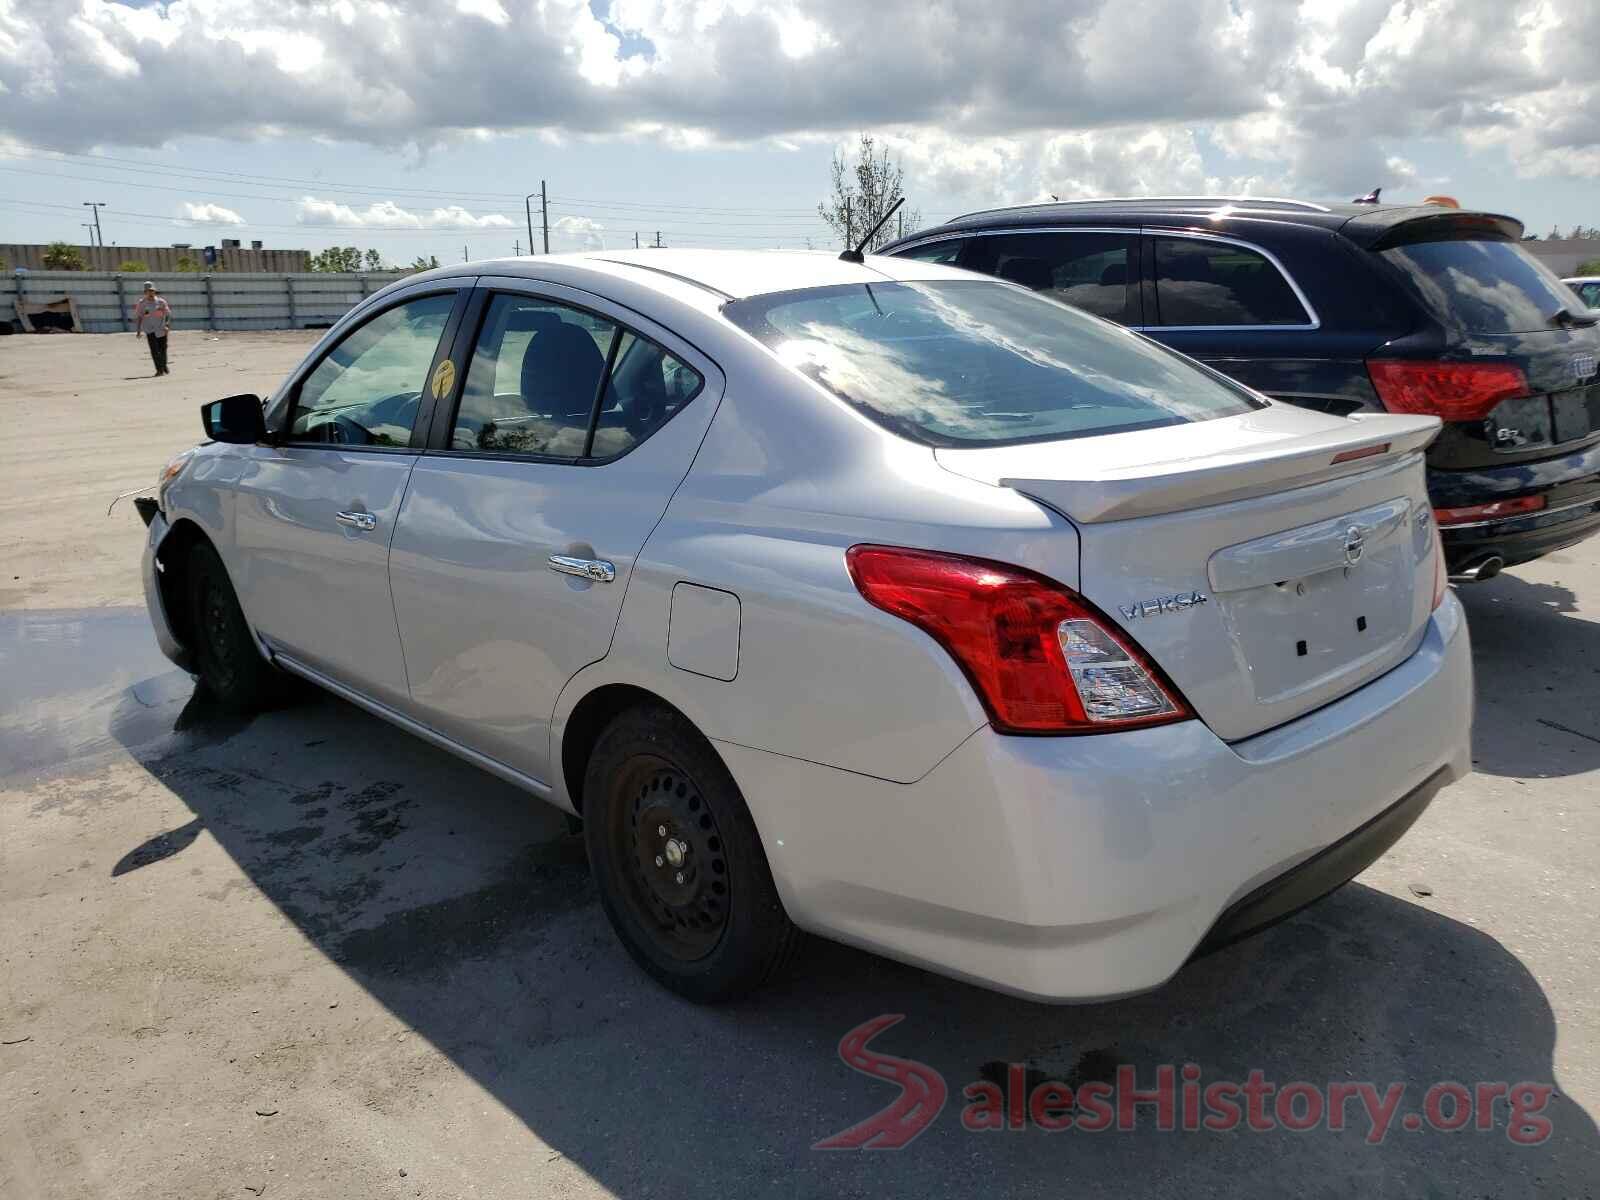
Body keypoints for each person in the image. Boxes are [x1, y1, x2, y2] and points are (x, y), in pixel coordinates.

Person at [132, 281, 172, 375]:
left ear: (155, 291)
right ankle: (159, 370)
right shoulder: (142, 303)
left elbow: (168, 315)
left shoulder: (161, 302)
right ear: (145, 292)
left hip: (161, 329)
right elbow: (139, 317)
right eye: (148, 291)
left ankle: (163, 364)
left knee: (163, 349)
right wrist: (138, 331)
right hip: (150, 330)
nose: (150, 293)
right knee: (154, 350)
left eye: (152, 291)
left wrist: (167, 325)